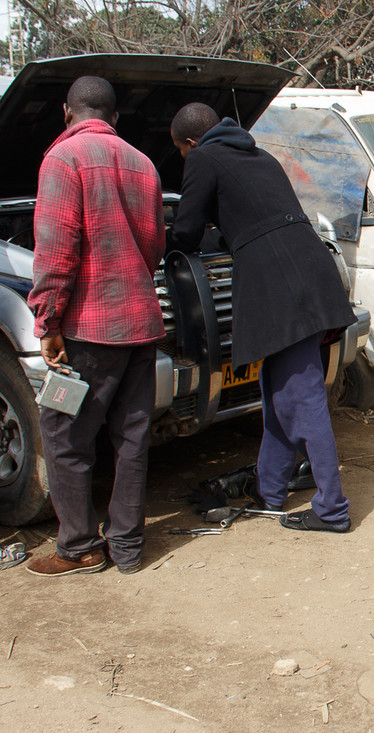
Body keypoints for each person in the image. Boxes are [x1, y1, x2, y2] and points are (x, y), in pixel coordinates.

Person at [167, 103, 357, 533]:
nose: (183, 159)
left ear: (191, 142)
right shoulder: (258, 154)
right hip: (308, 270)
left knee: (304, 398)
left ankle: (333, 510)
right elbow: (252, 217)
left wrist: (168, 242)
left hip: (279, 286)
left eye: (179, 151)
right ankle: (270, 490)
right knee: (278, 389)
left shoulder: (203, 157)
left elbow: (187, 229)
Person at [26, 76, 165, 577]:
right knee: (131, 439)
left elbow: (56, 249)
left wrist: (48, 321)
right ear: (114, 116)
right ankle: (127, 549)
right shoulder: (143, 163)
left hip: (89, 326)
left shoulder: (63, 159)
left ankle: (80, 547)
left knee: (63, 436)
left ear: (67, 111)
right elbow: (153, 247)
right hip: (142, 321)